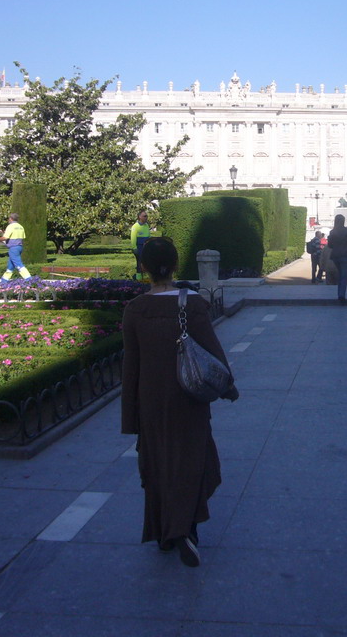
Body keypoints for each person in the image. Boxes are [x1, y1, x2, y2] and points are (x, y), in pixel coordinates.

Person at [121, 237, 238, 568]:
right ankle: (186, 529)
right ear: (175, 266)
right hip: (189, 400)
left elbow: (131, 367)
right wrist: (229, 386)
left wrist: (130, 418)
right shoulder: (193, 304)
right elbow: (213, 353)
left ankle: (163, 533)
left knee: (157, 466)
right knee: (193, 463)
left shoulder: (135, 310)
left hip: (151, 402)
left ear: (143, 267)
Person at [0, 213, 32, 283]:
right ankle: (4, 281)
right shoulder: (21, 227)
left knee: (19, 265)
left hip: (13, 248)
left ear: (10, 219)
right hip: (19, 247)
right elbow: (21, 238)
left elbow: (5, 237)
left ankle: (29, 279)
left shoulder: (10, 226)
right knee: (10, 267)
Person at [327, 214, 347, 303]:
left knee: (340, 274)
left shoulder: (332, 232)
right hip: (345, 255)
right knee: (344, 276)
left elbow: (330, 245)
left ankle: (340, 294)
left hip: (335, 255)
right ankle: (341, 295)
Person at [130, 210, 152, 281]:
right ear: (140, 217)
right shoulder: (135, 226)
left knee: (147, 262)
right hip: (139, 247)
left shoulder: (146, 225)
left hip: (146, 247)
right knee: (139, 262)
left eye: (147, 216)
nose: (146, 218)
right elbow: (133, 238)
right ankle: (138, 279)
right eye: (145, 216)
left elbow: (148, 235)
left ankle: (146, 277)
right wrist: (134, 248)